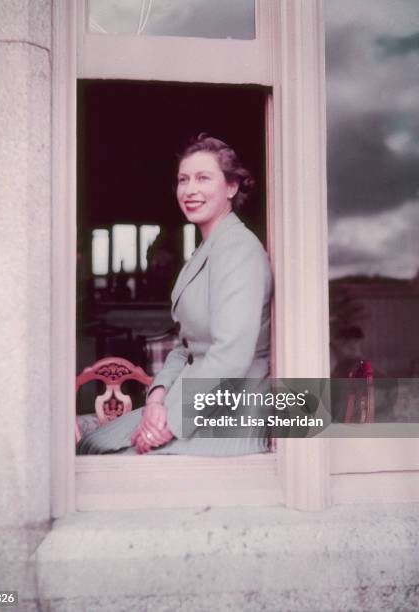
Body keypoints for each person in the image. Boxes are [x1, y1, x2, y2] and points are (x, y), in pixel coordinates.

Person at [77, 133, 273, 456]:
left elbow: (231, 356)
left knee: (109, 464)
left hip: (232, 411)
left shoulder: (240, 250)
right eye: (183, 179)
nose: (190, 189)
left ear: (231, 187)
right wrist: (157, 397)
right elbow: (186, 347)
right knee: (92, 445)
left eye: (203, 178)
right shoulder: (204, 252)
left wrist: (171, 421)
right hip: (187, 398)